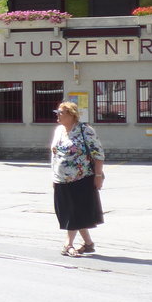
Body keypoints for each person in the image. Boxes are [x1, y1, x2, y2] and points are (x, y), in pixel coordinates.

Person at [50, 100, 105, 256]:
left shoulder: (85, 130)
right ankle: (88, 243)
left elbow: (98, 153)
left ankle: (68, 244)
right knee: (70, 212)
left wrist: (98, 175)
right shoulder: (59, 130)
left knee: (74, 212)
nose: (58, 116)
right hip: (61, 179)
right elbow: (54, 155)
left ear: (71, 115)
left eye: (61, 113)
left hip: (81, 178)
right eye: (57, 112)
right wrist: (53, 176)